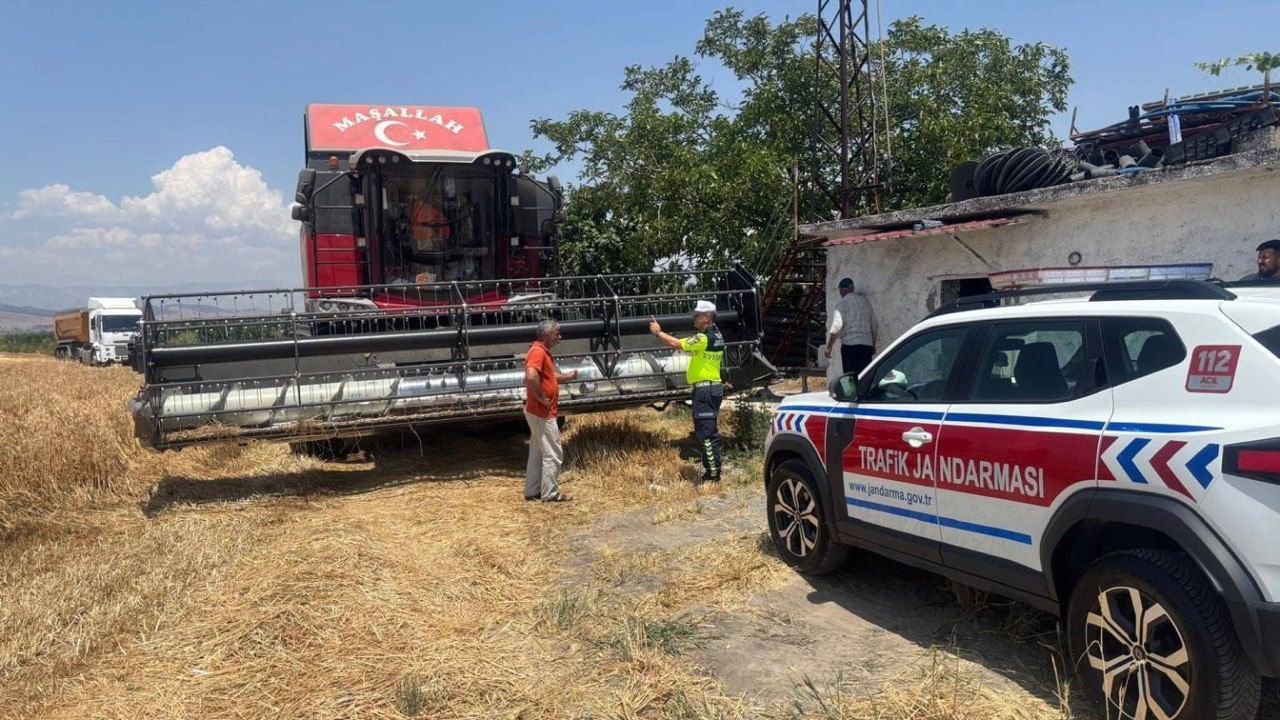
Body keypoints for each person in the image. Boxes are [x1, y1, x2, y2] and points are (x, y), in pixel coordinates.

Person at [649, 300, 724, 483]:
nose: (694, 318)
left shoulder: (704, 338)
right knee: (705, 432)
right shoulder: (715, 335)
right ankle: (712, 471)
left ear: (706, 317)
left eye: (697, 315)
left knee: (706, 434)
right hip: (709, 388)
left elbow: (675, 344)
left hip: (705, 390)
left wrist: (658, 332)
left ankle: (713, 476)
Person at [523, 319, 578, 502]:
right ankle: (550, 494)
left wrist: (567, 377)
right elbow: (531, 375)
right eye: (556, 333)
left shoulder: (540, 351)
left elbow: (547, 377)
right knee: (554, 454)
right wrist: (540, 397)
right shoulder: (538, 352)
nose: (559, 337)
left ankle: (533, 491)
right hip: (542, 412)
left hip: (537, 410)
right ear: (546, 335)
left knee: (537, 453)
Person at [824, 277, 876, 377]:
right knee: (864, 376)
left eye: (840, 289)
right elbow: (874, 325)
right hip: (866, 347)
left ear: (842, 289)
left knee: (850, 378)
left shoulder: (842, 303)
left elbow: (837, 326)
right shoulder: (865, 302)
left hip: (849, 346)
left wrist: (829, 347)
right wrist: (873, 345)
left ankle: (852, 388)